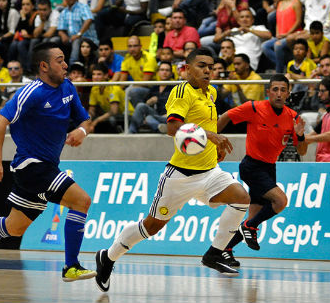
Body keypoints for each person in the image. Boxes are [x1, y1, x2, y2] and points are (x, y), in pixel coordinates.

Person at [94, 48, 251, 292]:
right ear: (187, 69)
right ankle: (108, 256)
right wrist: (211, 136)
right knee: (151, 226)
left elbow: (204, 126)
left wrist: (215, 144)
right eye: (201, 65)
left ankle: (214, 253)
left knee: (241, 198)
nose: (208, 70)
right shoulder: (181, 91)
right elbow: (173, 127)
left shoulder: (211, 92)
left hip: (210, 171)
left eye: (211, 66)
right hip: (180, 176)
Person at [0, 42, 97, 283]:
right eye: (60, 60)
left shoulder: (68, 87)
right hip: (32, 166)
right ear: (44, 66)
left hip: (45, 167)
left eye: (65, 59)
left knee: (14, 227)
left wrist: (82, 132)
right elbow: (0, 122)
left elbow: (86, 120)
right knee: (82, 201)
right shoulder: (31, 92)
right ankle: (71, 266)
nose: (66, 64)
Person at [216, 74, 307, 266]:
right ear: (268, 92)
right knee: (280, 201)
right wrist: (214, 141)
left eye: (283, 90)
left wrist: (301, 136)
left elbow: (302, 151)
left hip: (270, 168)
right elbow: (225, 116)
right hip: (251, 166)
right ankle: (250, 227)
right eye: (275, 89)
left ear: (288, 93)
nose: (279, 94)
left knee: (254, 217)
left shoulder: (293, 117)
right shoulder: (254, 107)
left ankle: (226, 249)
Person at [128, 61, 175, 133]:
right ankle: (160, 128)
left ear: (171, 73)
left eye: (167, 70)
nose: (164, 72)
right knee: (142, 108)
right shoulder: (154, 87)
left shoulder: (175, 87)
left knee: (149, 118)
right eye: (162, 70)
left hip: (168, 117)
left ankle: (131, 132)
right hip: (155, 115)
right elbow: (145, 105)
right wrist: (149, 102)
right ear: (158, 72)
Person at [87, 63, 133, 133]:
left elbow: (114, 111)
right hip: (111, 116)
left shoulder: (113, 87)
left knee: (110, 119)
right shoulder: (94, 89)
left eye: (99, 74)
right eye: (93, 74)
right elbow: (92, 109)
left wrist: (96, 121)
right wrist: (88, 118)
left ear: (106, 76)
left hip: (127, 116)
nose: (95, 77)